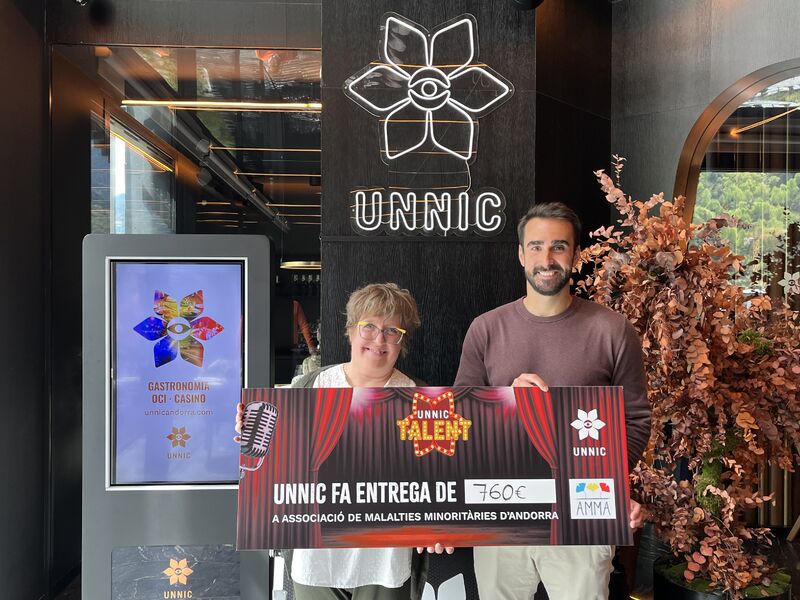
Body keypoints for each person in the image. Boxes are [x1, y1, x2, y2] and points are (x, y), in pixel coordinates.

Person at [454, 202, 651, 600]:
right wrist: (506, 401)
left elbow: (636, 419)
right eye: (536, 246)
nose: (547, 258)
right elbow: (459, 420)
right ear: (521, 254)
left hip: (582, 516)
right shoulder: (485, 329)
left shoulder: (612, 330)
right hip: (502, 512)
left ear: (575, 255)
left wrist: (610, 481)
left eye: (559, 246)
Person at [236, 282, 430, 600]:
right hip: (316, 560)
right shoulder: (309, 387)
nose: (379, 339)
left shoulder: (421, 399)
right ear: (351, 330)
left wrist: (440, 525)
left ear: (402, 341)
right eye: (369, 326)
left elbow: (435, 480)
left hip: (385, 561)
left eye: (392, 331)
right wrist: (250, 432)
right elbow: (274, 462)